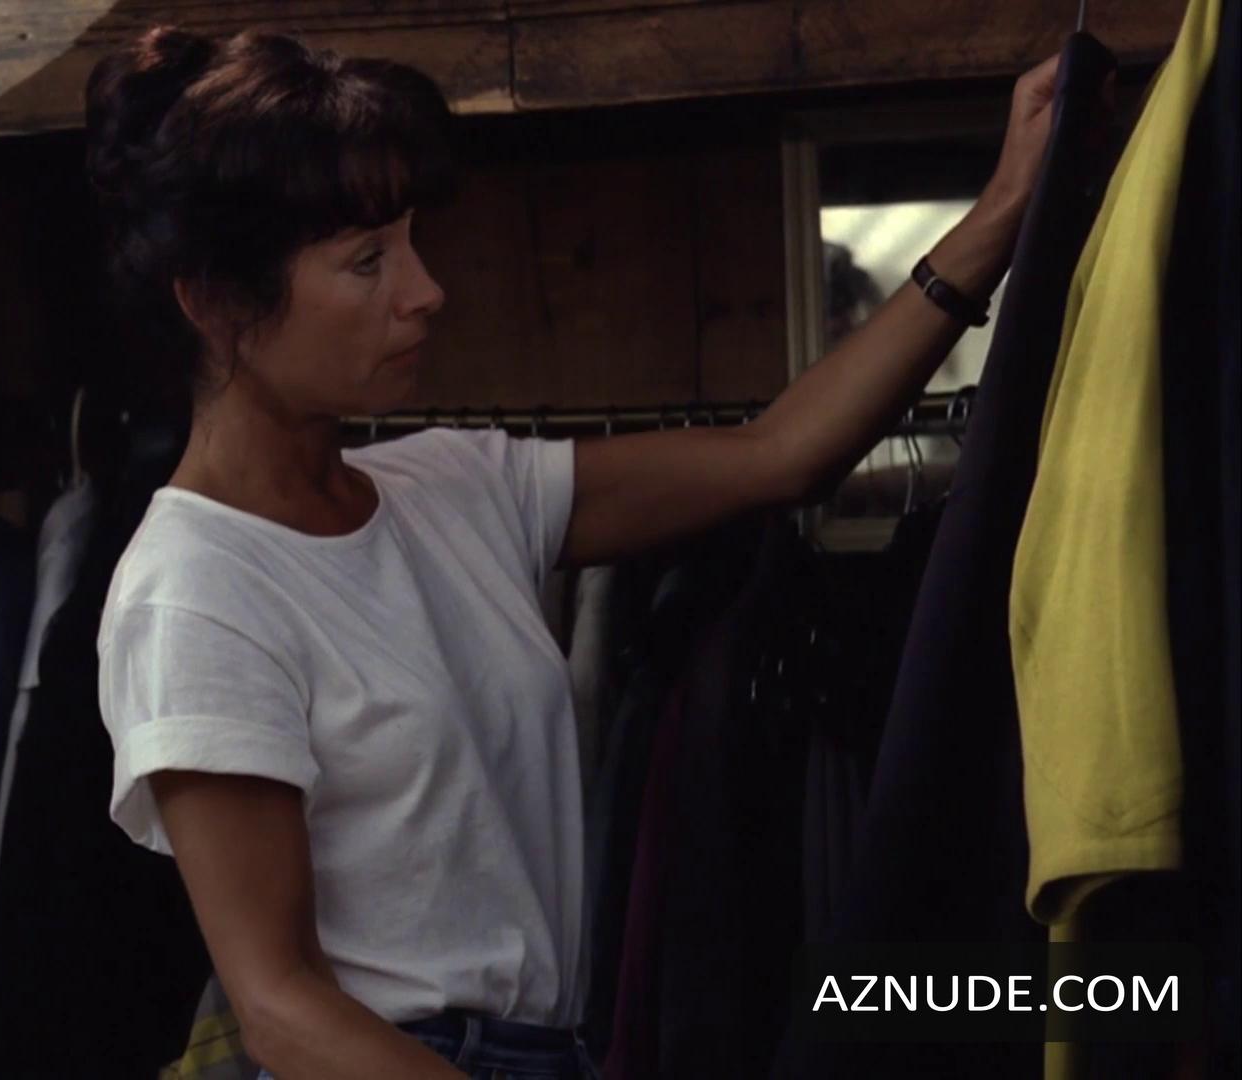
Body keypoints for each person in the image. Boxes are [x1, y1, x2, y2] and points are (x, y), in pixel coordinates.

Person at [87, 25, 1060, 1080]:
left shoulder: (452, 488)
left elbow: (780, 454)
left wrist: (1002, 211)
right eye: (368, 261)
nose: (425, 290)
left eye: (411, 242)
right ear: (216, 304)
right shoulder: (196, 589)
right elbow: (279, 1007)